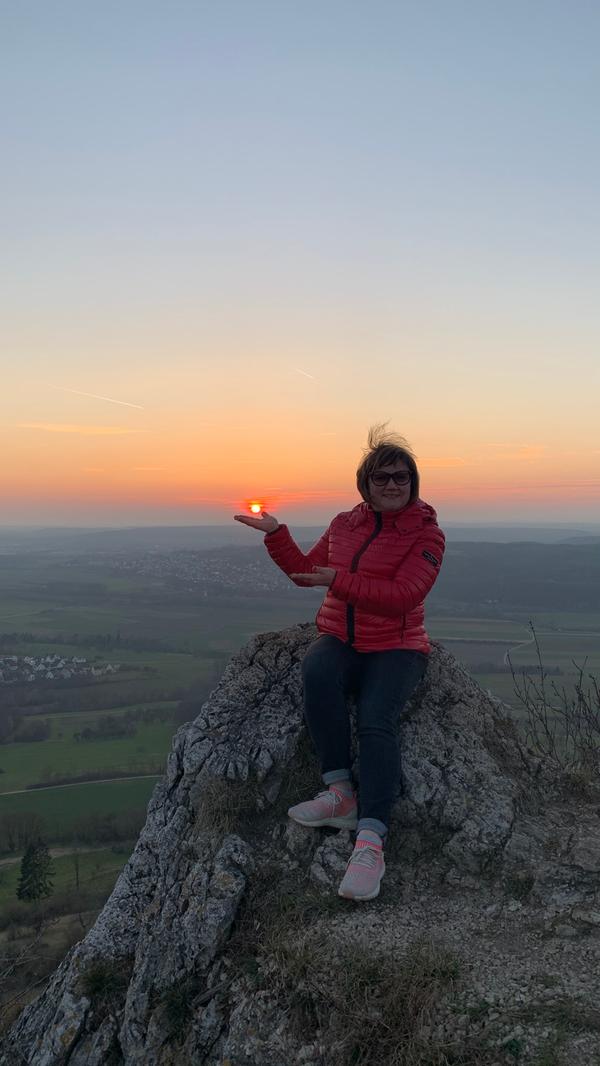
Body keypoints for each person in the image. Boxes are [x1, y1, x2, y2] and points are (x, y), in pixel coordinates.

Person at [233, 424, 445, 901]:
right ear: (365, 483)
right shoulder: (345, 524)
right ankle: (339, 793)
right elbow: (307, 573)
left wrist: (340, 581)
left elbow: (403, 596)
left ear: (413, 482)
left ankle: (370, 840)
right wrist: (277, 535)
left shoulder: (428, 535)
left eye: (402, 477)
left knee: (375, 718)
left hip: (397, 645)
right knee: (317, 670)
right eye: (381, 477)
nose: (392, 484)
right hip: (343, 639)